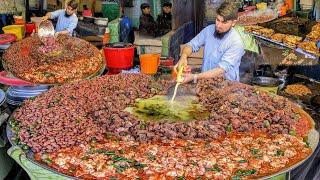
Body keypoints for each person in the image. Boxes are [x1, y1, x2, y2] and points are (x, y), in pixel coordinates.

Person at [175, 2, 245, 82]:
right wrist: (183, 57)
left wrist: (194, 77)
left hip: (226, 86)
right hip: (204, 81)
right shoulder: (209, 30)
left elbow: (220, 70)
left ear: (233, 23)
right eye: (217, 20)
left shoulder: (236, 42)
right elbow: (190, 45)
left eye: (224, 22)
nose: (218, 25)